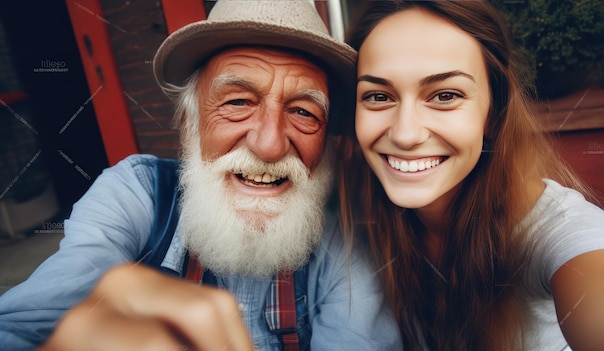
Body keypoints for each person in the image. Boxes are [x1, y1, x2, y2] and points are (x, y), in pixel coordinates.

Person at [0, 1, 401, 350]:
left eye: (303, 112)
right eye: (239, 101)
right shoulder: (136, 195)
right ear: (189, 122)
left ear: (328, 142)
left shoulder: (346, 245)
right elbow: (20, 329)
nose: (269, 145)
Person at [335, 1, 604, 350]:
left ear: (494, 113)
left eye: (445, 95)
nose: (405, 134)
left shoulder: (556, 230)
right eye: (378, 96)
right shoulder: (353, 212)